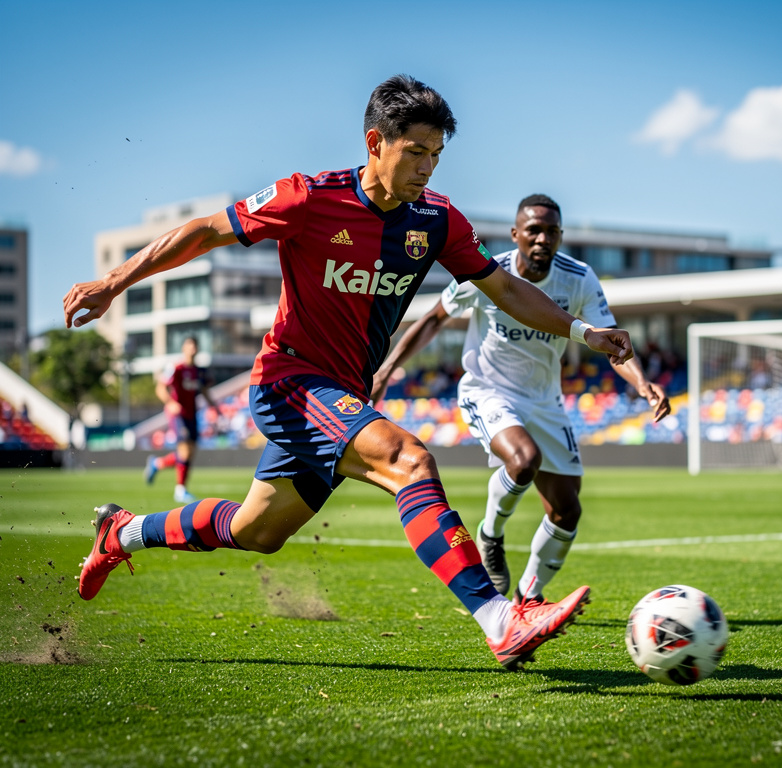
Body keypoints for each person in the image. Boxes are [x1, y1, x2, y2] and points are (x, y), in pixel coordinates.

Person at [62, 75, 635, 671]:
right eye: (416, 152)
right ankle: (500, 619)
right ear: (375, 143)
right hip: (289, 381)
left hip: (343, 396)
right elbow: (205, 231)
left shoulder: (436, 220)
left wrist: (581, 331)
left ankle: (123, 533)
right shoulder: (307, 198)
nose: (427, 168)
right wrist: (114, 282)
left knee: (257, 530)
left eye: (437, 156)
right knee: (410, 460)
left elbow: (505, 288)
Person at [372, 194, 670, 604]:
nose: (542, 238)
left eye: (551, 231)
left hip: (545, 401)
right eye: (533, 230)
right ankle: (490, 535)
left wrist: (640, 382)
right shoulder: (486, 271)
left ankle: (529, 597)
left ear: (561, 237)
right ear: (516, 235)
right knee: (523, 460)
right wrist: (386, 370)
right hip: (488, 390)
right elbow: (433, 319)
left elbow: (612, 341)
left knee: (567, 512)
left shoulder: (579, 279)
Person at [145, 335, 219, 503]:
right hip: (177, 414)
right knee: (185, 450)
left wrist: (214, 406)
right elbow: (161, 387)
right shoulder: (175, 367)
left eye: (195, 345)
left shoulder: (199, 371)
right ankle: (180, 490)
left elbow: (205, 391)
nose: (192, 348)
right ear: (184, 348)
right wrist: (171, 403)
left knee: (189, 453)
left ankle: (157, 464)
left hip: (192, 414)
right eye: (189, 345)